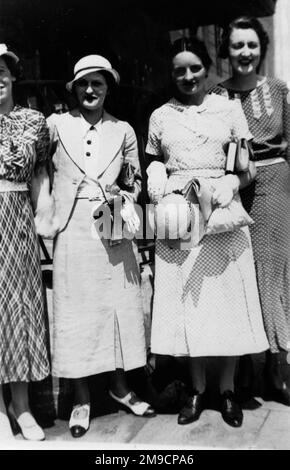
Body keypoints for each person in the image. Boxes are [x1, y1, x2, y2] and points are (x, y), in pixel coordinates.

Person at [145, 37, 269, 428]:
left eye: (194, 68)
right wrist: (156, 175)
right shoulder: (160, 116)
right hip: (180, 214)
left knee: (228, 303)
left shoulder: (229, 110)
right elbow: (154, 163)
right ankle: (198, 390)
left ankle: (228, 390)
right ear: (171, 74)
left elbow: (248, 167)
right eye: (179, 70)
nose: (187, 76)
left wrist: (232, 183)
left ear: (208, 69)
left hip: (222, 214)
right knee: (190, 307)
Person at [47, 54, 155, 438]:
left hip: (110, 220)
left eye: (98, 83)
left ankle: (121, 387)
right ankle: (81, 398)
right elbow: (43, 174)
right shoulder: (56, 125)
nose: (90, 90)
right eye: (83, 84)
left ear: (109, 87)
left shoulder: (123, 130)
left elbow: (136, 178)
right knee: (76, 311)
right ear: (74, 88)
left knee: (118, 306)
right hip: (72, 227)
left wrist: (124, 193)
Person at [211, 16, 290, 406]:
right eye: (237, 45)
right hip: (235, 189)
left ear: (262, 48)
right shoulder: (215, 96)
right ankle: (241, 371)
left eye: (252, 45)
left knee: (275, 275)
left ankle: (277, 370)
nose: (245, 53)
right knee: (239, 275)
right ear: (227, 51)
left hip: (276, 187)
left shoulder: (278, 90)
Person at [0, 43, 56, 441]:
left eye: (1, 70)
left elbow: (40, 177)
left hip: (17, 218)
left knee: (19, 308)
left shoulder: (35, 121)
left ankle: (21, 406)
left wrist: (44, 223)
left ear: (13, 74)